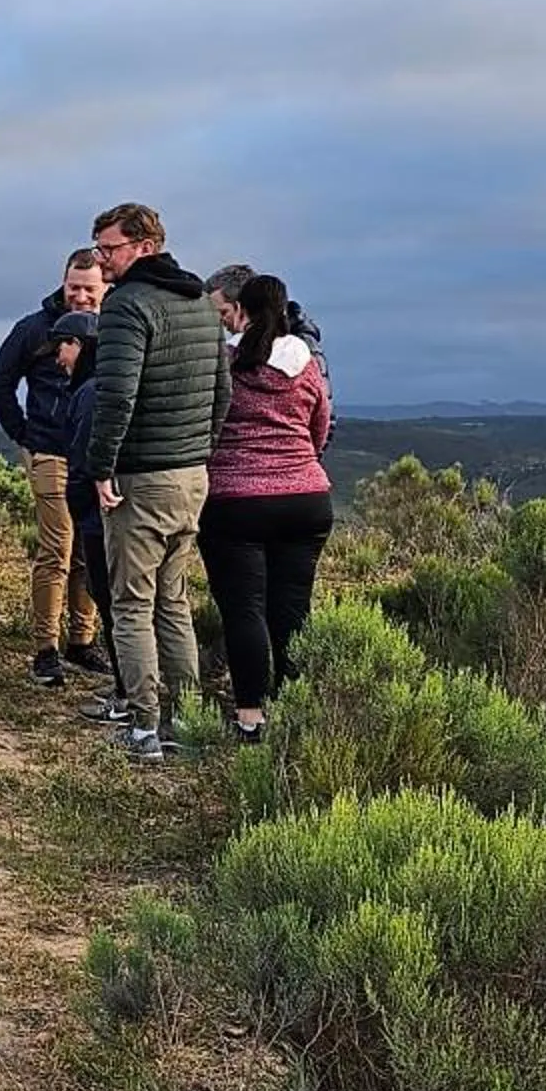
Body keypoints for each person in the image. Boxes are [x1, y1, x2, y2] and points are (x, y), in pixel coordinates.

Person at [78, 203, 229, 763]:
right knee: (175, 602)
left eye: (109, 248)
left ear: (143, 246)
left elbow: (116, 396)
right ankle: (185, 725)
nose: (102, 259)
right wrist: (199, 452)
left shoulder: (127, 305)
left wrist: (100, 467)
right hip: (191, 476)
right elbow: (223, 395)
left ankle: (144, 728)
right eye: (97, 248)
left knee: (131, 603)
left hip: (141, 477)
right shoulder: (199, 302)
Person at [198, 275, 333, 746]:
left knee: (244, 609)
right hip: (307, 500)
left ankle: (252, 715)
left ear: (240, 310)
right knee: (292, 609)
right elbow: (320, 431)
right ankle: (292, 706)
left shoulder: (227, 362)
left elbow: (207, 425)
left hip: (237, 501)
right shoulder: (308, 366)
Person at [0, 249, 106, 685]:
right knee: (58, 548)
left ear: (104, 286)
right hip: (51, 449)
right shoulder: (34, 329)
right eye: (75, 287)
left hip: (96, 456)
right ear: (63, 282)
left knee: (89, 549)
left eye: (90, 288)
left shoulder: (116, 327)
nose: (82, 296)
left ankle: (83, 640)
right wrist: (24, 433)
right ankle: (46, 649)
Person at [49, 304, 117, 673]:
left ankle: (128, 692)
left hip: (97, 511)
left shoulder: (91, 393)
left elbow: (86, 460)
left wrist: (79, 499)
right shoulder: (101, 387)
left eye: (62, 347)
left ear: (78, 344)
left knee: (112, 599)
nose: (59, 359)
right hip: (104, 508)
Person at [206, 263, 325, 360]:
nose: (220, 321)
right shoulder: (300, 343)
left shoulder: (298, 352)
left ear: (243, 307)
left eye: (223, 312)